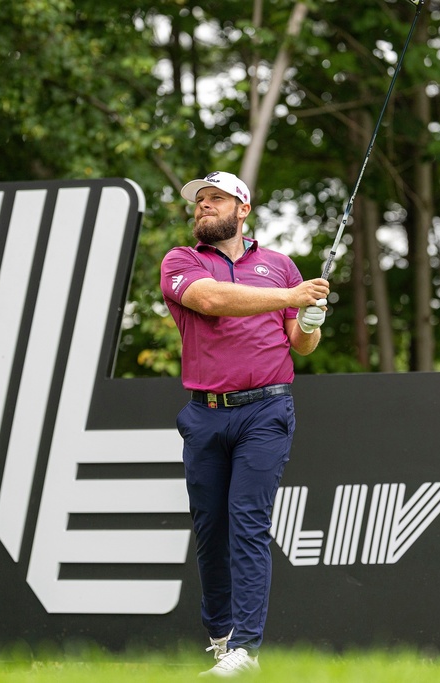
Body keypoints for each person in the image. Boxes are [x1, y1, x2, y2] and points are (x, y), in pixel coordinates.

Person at [159, 171, 329, 677]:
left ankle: (246, 650)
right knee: (210, 530)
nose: (204, 207)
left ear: (243, 209)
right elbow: (212, 301)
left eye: (216, 199)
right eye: (200, 201)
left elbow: (300, 344)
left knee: (248, 523)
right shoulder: (182, 261)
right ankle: (221, 637)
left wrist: (310, 321)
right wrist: (293, 298)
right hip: (204, 413)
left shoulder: (280, 266)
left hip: (266, 410)